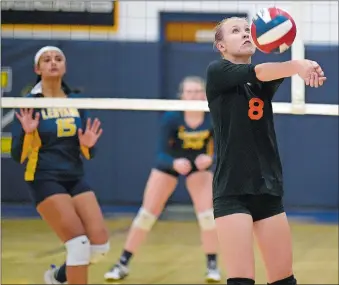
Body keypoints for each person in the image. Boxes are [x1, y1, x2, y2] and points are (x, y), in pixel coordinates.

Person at [205, 17, 326, 285]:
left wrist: (306, 68)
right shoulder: (217, 72)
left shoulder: (260, 81)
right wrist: (298, 64)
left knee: (284, 280)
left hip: (267, 187)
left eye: (249, 30)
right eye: (236, 31)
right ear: (221, 45)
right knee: (242, 280)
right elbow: (260, 71)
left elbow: (269, 72)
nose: (245, 33)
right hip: (232, 190)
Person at [104, 76, 221, 283]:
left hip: (198, 167)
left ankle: (212, 266)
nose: (194, 95)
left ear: (205, 94)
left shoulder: (213, 117)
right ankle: (122, 263)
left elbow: (222, 150)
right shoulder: (171, 117)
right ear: (181, 95)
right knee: (146, 215)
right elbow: (160, 154)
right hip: (170, 164)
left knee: (207, 216)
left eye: (198, 91)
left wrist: (210, 159)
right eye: (190, 92)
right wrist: (173, 163)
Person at [11, 46, 110, 285]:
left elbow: (88, 151)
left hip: (74, 176)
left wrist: (87, 144)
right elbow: (17, 155)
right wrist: (27, 133)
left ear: (64, 67)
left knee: (99, 247)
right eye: (46, 60)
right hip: (44, 178)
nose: (53, 62)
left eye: (58, 59)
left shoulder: (76, 101)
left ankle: (58, 278)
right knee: (78, 244)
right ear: (37, 69)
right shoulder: (28, 104)